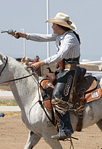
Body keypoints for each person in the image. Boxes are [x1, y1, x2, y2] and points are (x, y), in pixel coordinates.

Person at [10, 12, 81, 140]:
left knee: (58, 96)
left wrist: (41, 63)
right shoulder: (61, 36)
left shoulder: (69, 38)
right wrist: (24, 36)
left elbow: (60, 55)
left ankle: (66, 129)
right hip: (63, 70)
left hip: (70, 71)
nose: (52, 26)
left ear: (60, 26)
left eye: (54, 24)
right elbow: (42, 37)